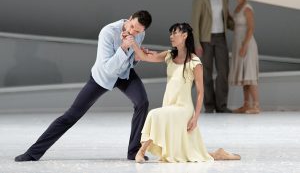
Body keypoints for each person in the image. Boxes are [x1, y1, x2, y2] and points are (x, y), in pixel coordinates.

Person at [14, 10, 152, 162]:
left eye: (138, 31)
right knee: (71, 115)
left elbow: (130, 60)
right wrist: (124, 47)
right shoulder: (107, 32)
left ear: (143, 31)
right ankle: (32, 153)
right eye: (132, 26)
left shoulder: (140, 34)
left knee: (142, 103)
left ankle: (133, 152)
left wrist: (137, 58)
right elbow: (108, 68)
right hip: (102, 77)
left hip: (124, 74)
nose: (133, 32)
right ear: (130, 18)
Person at [128, 23, 240, 162]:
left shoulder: (195, 62)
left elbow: (200, 93)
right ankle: (218, 154)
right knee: (185, 153)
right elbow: (145, 57)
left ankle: (141, 151)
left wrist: (195, 118)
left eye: (175, 33)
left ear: (185, 35)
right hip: (169, 104)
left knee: (153, 114)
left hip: (183, 109)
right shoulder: (169, 55)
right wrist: (133, 43)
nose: (171, 36)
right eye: (171, 33)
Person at [191, 0, 234, 113]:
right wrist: (197, 43)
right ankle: (209, 105)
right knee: (206, 73)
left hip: (221, 37)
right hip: (205, 39)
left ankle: (221, 105)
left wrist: (238, 24)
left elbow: (227, 17)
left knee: (223, 72)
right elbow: (195, 22)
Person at [229, 0, 260, 114]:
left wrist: (244, 46)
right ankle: (246, 104)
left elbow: (251, 28)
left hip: (247, 45)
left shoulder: (247, 7)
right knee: (244, 75)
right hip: (239, 44)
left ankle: (256, 106)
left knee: (249, 74)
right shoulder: (237, 8)